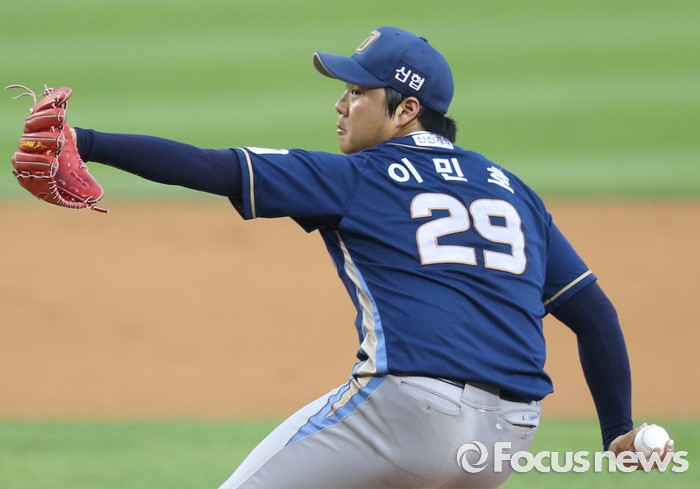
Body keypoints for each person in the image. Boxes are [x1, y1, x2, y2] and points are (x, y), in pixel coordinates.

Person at [69, 26, 668, 489]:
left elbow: (216, 167)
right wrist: (618, 429)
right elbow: (594, 313)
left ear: (406, 110)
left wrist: (85, 143)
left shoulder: (361, 176)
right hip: (505, 441)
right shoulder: (513, 190)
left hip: (406, 413)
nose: (341, 105)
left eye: (358, 92)